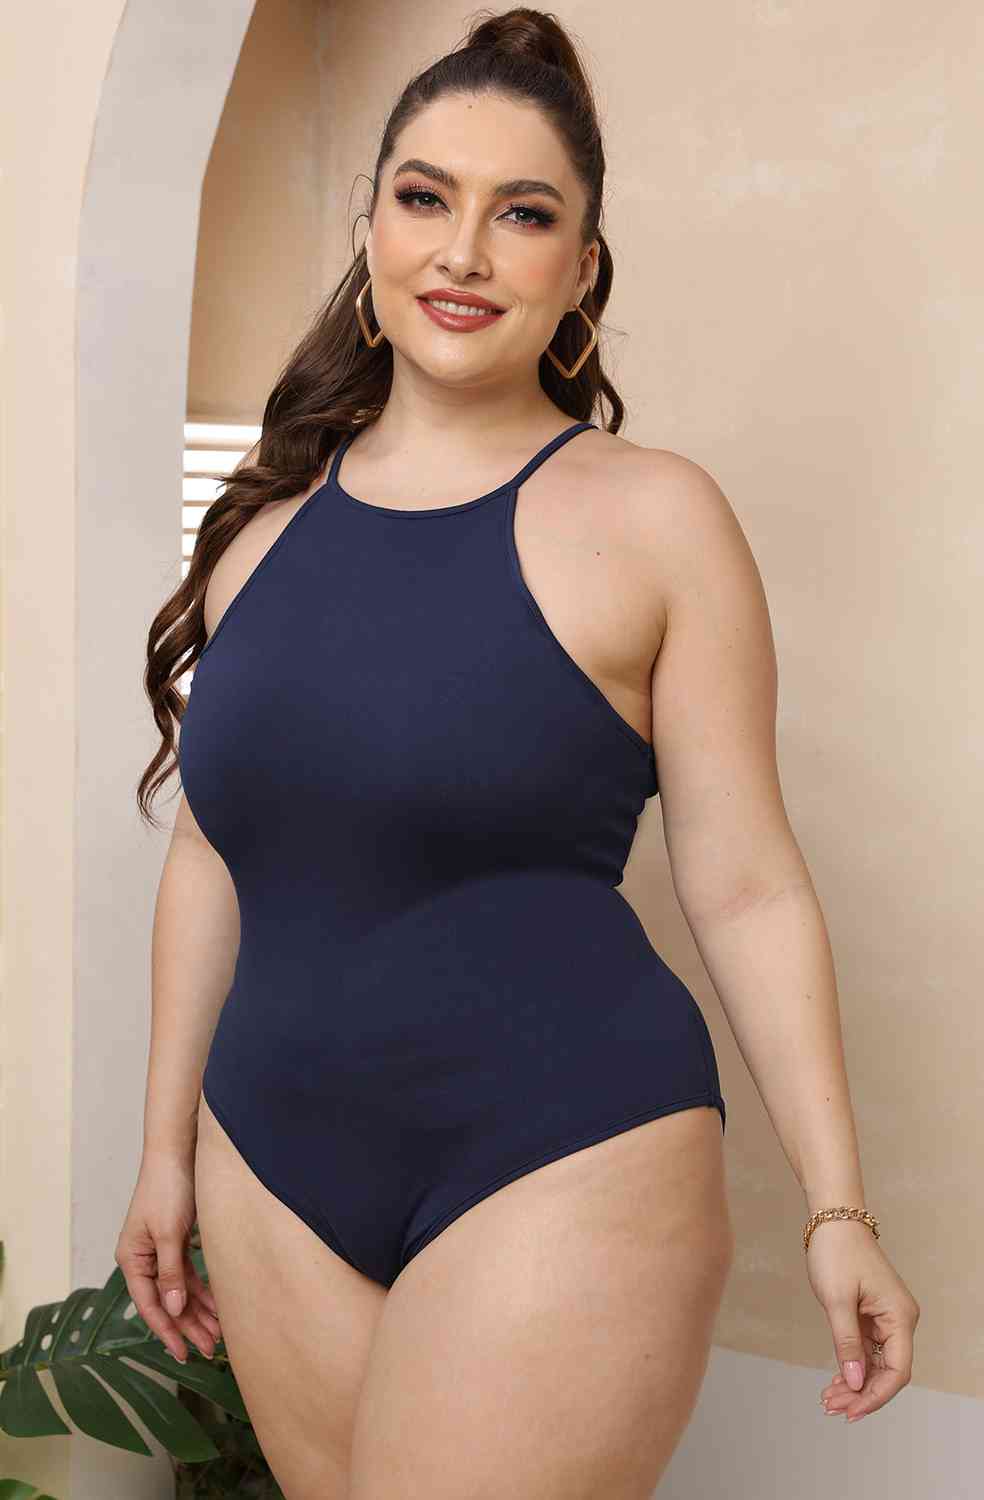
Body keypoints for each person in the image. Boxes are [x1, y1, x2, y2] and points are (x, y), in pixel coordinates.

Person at [117, 8, 920, 1497]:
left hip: (563, 1146)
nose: (465, 251)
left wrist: (838, 1209)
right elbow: (215, 850)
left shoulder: (657, 517)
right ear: (369, 225)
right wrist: (164, 1150)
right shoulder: (259, 535)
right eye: (426, 197)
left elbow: (745, 883)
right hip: (272, 1164)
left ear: (583, 268)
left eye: (524, 214)